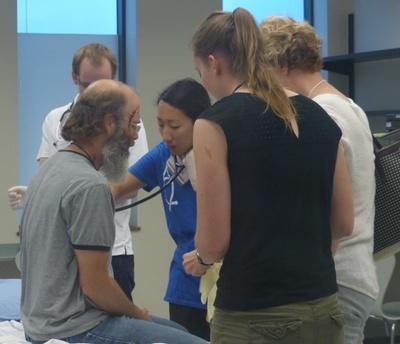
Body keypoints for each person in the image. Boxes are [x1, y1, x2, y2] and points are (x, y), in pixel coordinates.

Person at [183, 8, 354, 344]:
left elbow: (214, 242)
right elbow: (345, 223)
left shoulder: (214, 123)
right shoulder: (319, 115)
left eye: (200, 71)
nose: (204, 80)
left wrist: (202, 258)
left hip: (255, 316)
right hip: (324, 309)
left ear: (214, 63)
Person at [19, 79, 207, 344]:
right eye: (133, 126)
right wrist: (136, 313)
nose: (134, 137)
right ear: (109, 123)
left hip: (39, 324)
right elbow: (96, 286)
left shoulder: (50, 170)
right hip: (75, 327)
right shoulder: (90, 185)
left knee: (181, 332)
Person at [259, 16, 378, 344]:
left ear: (280, 65)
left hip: (333, 278)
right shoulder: (348, 106)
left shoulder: (319, 114)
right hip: (351, 276)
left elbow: (311, 205)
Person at [8, 43, 148, 300]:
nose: (96, 97)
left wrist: (81, 196)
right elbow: (48, 174)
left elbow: (134, 182)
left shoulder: (129, 125)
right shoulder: (55, 119)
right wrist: (37, 195)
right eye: (88, 86)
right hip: (65, 252)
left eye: (103, 85)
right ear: (74, 78)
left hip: (113, 249)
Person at [111, 78, 211, 340]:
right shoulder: (162, 155)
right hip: (184, 283)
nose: (166, 134)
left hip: (221, 280)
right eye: (160, 124)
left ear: (200, 123)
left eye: (175, 126)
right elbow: (116, 190)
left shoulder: (220, 156)